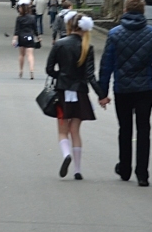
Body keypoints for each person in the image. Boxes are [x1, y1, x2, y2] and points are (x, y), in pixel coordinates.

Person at [98, 0, 152, 187]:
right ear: (143, 11)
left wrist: (102, 92)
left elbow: (106, 65)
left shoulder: (114, 34)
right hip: (146, 88)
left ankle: (125, 167)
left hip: (122, 88)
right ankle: (142, 173)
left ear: (125, 10)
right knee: (144, 129)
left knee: (125, 128)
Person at [46, 14, 109, 180]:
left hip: (62, 91)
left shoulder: (59, 44)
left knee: (62, 130)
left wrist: (62, 75)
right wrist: (102, 95)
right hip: (80, 92)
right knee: (75, 131)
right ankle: (77, 169)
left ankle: (66, 154)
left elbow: (49, 69)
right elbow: (90, 75)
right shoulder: (87, 47)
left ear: (70, 26)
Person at [12, 0, 40, 79]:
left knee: (21, 55)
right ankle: (31, 70)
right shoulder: (32, 18)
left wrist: (14, 39)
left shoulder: (19, 18)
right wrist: (38, 37)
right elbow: (35, 29)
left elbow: (17, 30)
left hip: (21, 37)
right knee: (30, 55)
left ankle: (21, 70)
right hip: (30, 37)